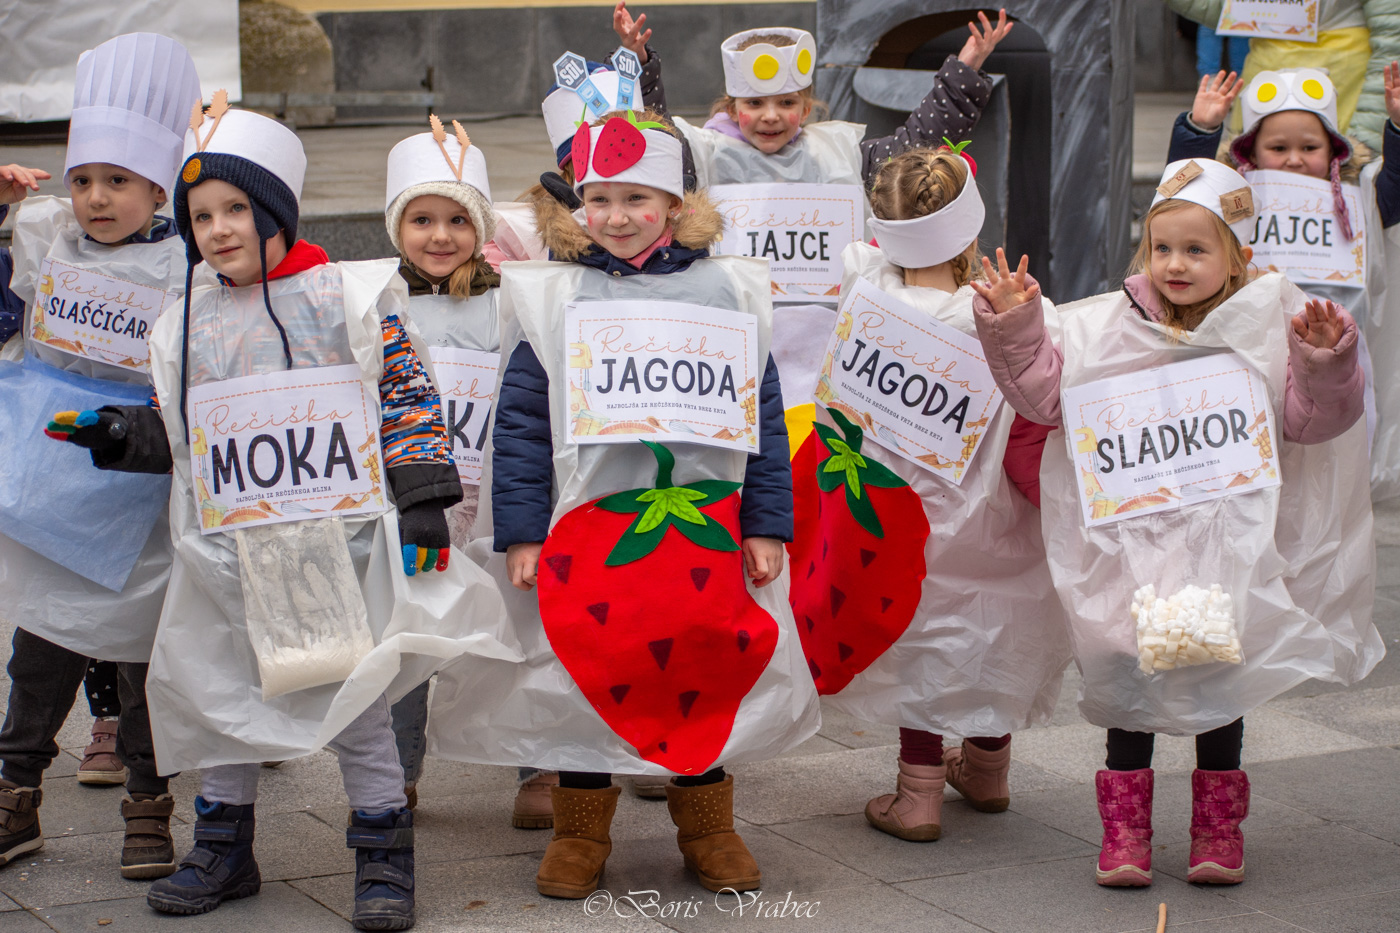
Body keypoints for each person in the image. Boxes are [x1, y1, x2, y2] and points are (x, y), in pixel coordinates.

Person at [50, 100, 514, 929]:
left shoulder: (347, 297)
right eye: (200, 216)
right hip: (229, 551)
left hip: (332, 548)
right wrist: (126, 433)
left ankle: (381, 850)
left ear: (274, 213)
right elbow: (184, 428)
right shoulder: (183, 318)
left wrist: (423, 500)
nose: (218, 230)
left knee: (356, 703)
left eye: (236, 210)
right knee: (228, 696)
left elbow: (407, 395)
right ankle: (224, 846)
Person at [426, 104, 819, 898]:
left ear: (675, 204)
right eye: (598, 198)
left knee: (703, 662)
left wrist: (767, 520)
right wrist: (523, 530)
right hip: (586, 527)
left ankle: (707, 822)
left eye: (638, 198)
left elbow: (765, 415)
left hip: (702, 526)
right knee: (583, 669)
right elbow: (523, 424)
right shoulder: (550, 295)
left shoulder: (727, 288)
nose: (617, 217)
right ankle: (581, 829)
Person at [972, 159, 1380, 886]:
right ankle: (1124, 833)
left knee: (1217, 684)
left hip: (1222, 549)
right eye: (1162, 248)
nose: (1176, 264)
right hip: (1132, 552)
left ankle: (1217, 829)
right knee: (1128, 680)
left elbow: (1307, 421)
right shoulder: (1105, 325)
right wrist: (1016, 322)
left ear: (1238, 256)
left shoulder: (1264, 326)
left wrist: (1322, 362)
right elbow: (1044, 394)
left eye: (1196, 249)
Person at [793, 146, 1068, 843]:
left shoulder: (867, 290)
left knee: (917, 641)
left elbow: (864, 257)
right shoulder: (1011, 317)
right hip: (993, 517)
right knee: (995, 632)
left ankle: (916, 795)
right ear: (973, 232)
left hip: (891, 517)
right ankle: (988, 769)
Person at [0, 33, 203, 880]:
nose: (94, 197)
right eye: (83, 180)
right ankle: (15, 793)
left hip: (143, 490)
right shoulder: (47, 244)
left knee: (143, 653)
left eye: (117, 181)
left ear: (159, 187)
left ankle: (148, 806)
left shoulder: (184, 265)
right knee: (40, 645)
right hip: (54, 486)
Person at [1168, 68, 1400, 496]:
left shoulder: (1357, 194)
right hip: (1247, 344)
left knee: (1332, 450)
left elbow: (1395, 191)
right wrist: (1201, 129)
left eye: (1309, 147)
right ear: (1251, 152)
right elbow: (1182, 187)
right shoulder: (1231, 193)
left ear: (1333, 150)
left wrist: (1399, 129)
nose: (1294, 159)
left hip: (1333, 348)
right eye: (1278, 147)